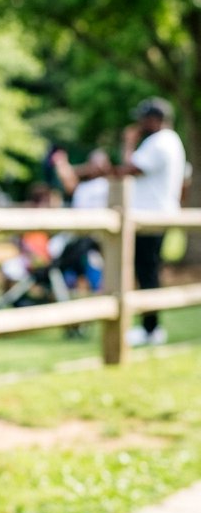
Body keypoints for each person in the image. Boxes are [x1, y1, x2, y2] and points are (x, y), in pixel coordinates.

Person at [114, 98, 186, 346]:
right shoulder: (172, 141)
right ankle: (150, 327)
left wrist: (128, 143)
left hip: (149, 214)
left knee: (146, 271)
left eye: (143, 118)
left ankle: (150, 328)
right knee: (149, 270)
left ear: (154, 119)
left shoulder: (159, 142)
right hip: (158, 212)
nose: (139, 123)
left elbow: (129, 168)